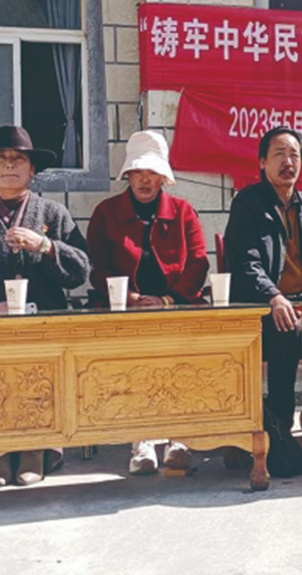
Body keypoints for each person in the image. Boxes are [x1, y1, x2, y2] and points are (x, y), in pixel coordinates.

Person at [87, 130, 209, 475]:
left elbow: (199, 263)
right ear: (127, 175)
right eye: (137, 172)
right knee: (135, 360)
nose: (144, 179)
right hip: (125, 310)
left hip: (176, 307)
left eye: (152, 172)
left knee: (181, 360)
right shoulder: (106, 212)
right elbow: (97, 268)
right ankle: (141, 441)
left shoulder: (183, 212)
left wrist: (168, 299)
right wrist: (127, 297)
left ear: (163, 178)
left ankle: (178, 437)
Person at [225, 126, 302, 475]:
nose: (288, 162)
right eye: (279, 155)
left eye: (294, 155)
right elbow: (244, 264)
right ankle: (280, 424)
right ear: (262, 162)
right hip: (262, 307)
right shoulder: (248, 204)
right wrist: (274, 297)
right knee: (288, 329)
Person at [0, 125, 90, 487]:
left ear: (32, 170)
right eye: (1, 158)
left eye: (18, 159)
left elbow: (81, 271)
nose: (9, 165)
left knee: (38, 380)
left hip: (44, 323)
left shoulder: (53, 213)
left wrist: (45, 246)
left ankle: (36, 449)